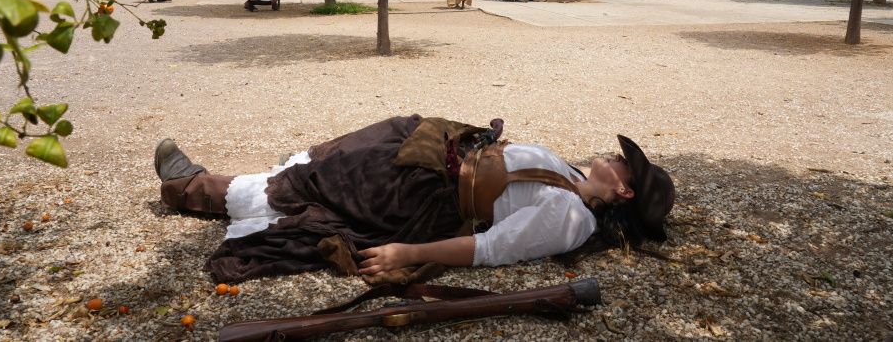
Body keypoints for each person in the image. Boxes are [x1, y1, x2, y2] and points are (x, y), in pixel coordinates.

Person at [152, 114, 676, 284]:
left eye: (624, 162)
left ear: (624, 189)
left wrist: (410, 253)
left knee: (318, 184)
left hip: (426, 202)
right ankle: (205, 185)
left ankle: (191, 187)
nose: (615, 156)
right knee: (329, 161)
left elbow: (489, 248)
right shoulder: (569, 175)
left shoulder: (571, 220)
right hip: (436, 163)